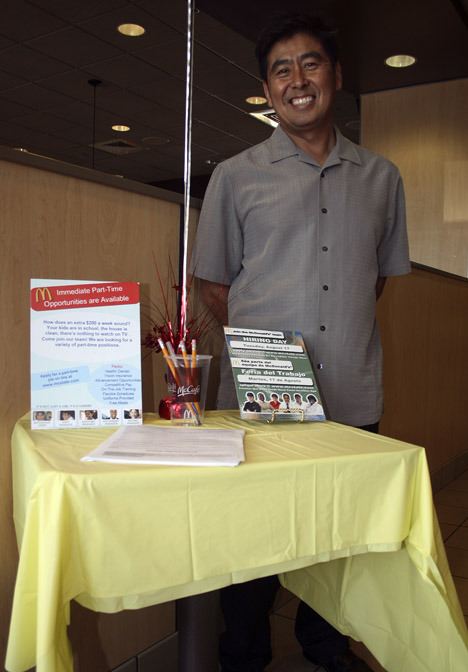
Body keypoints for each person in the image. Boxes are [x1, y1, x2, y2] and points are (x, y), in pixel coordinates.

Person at [191, 12, 410, 672]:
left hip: (351, 386)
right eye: (280, 70)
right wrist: (267, 346)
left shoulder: (382, 178)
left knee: (338, 532)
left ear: (335, 76)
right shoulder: (236, 175)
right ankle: (244, 653)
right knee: (253, 536)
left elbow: (373, 279)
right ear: (267, 88)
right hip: (265, 392)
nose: (297, 79)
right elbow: (214, 285)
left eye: (310, 63)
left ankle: (325, 645)